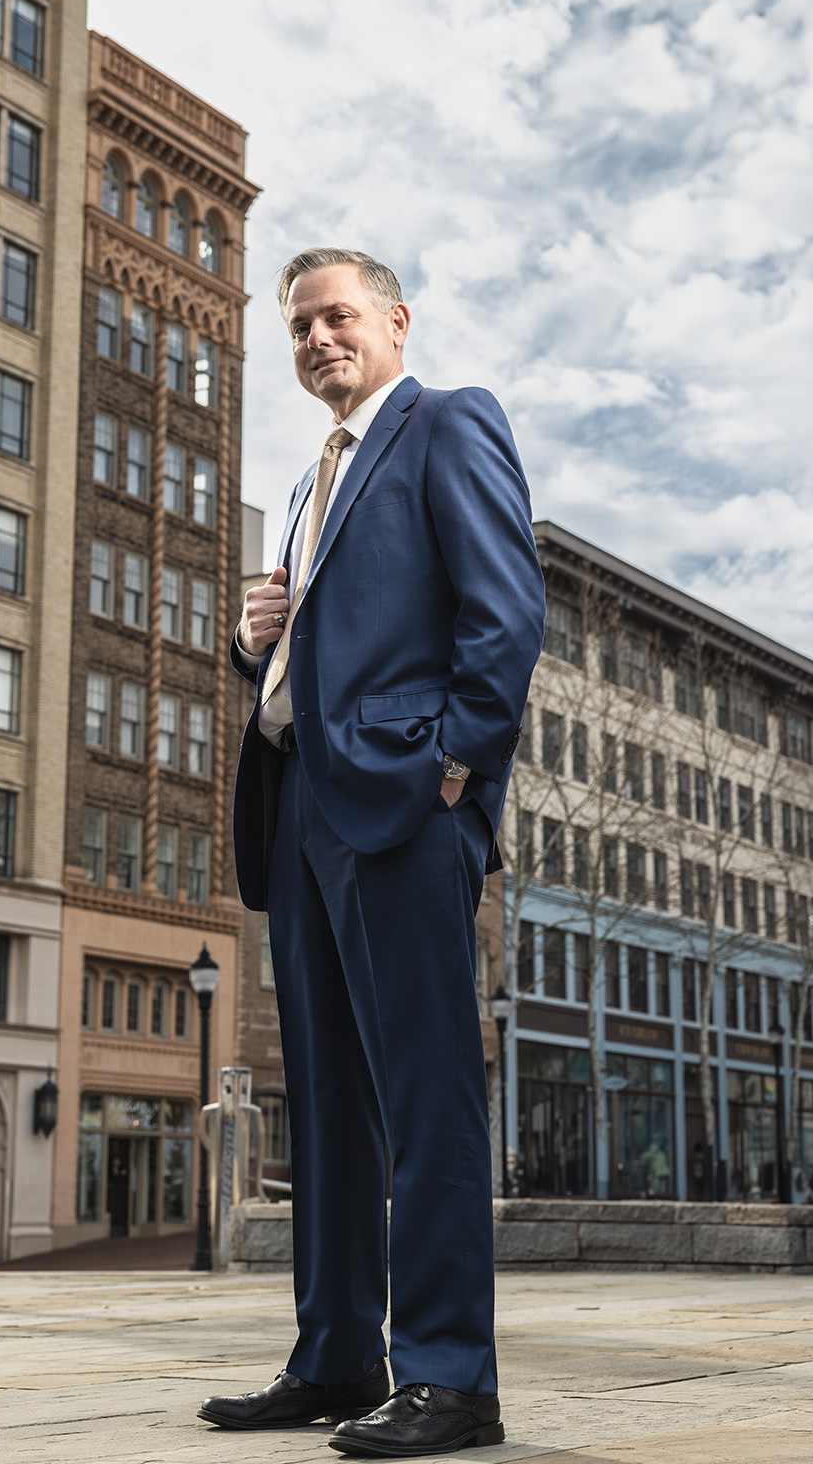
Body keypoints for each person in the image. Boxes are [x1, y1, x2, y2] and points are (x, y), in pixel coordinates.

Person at [197, 248, 545, 1457]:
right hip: (300, 806)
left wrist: (453, 765)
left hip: (404, 802)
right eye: (298, 325)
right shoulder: (307, 481)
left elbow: (505, 611)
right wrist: (257, 646)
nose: (316, 339)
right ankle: (337, 1357)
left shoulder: (447, 425)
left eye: (336, 316)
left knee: (424, 1090)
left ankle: (451, 1377)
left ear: (393, 320)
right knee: (329, 1099)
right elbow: (322, 645)